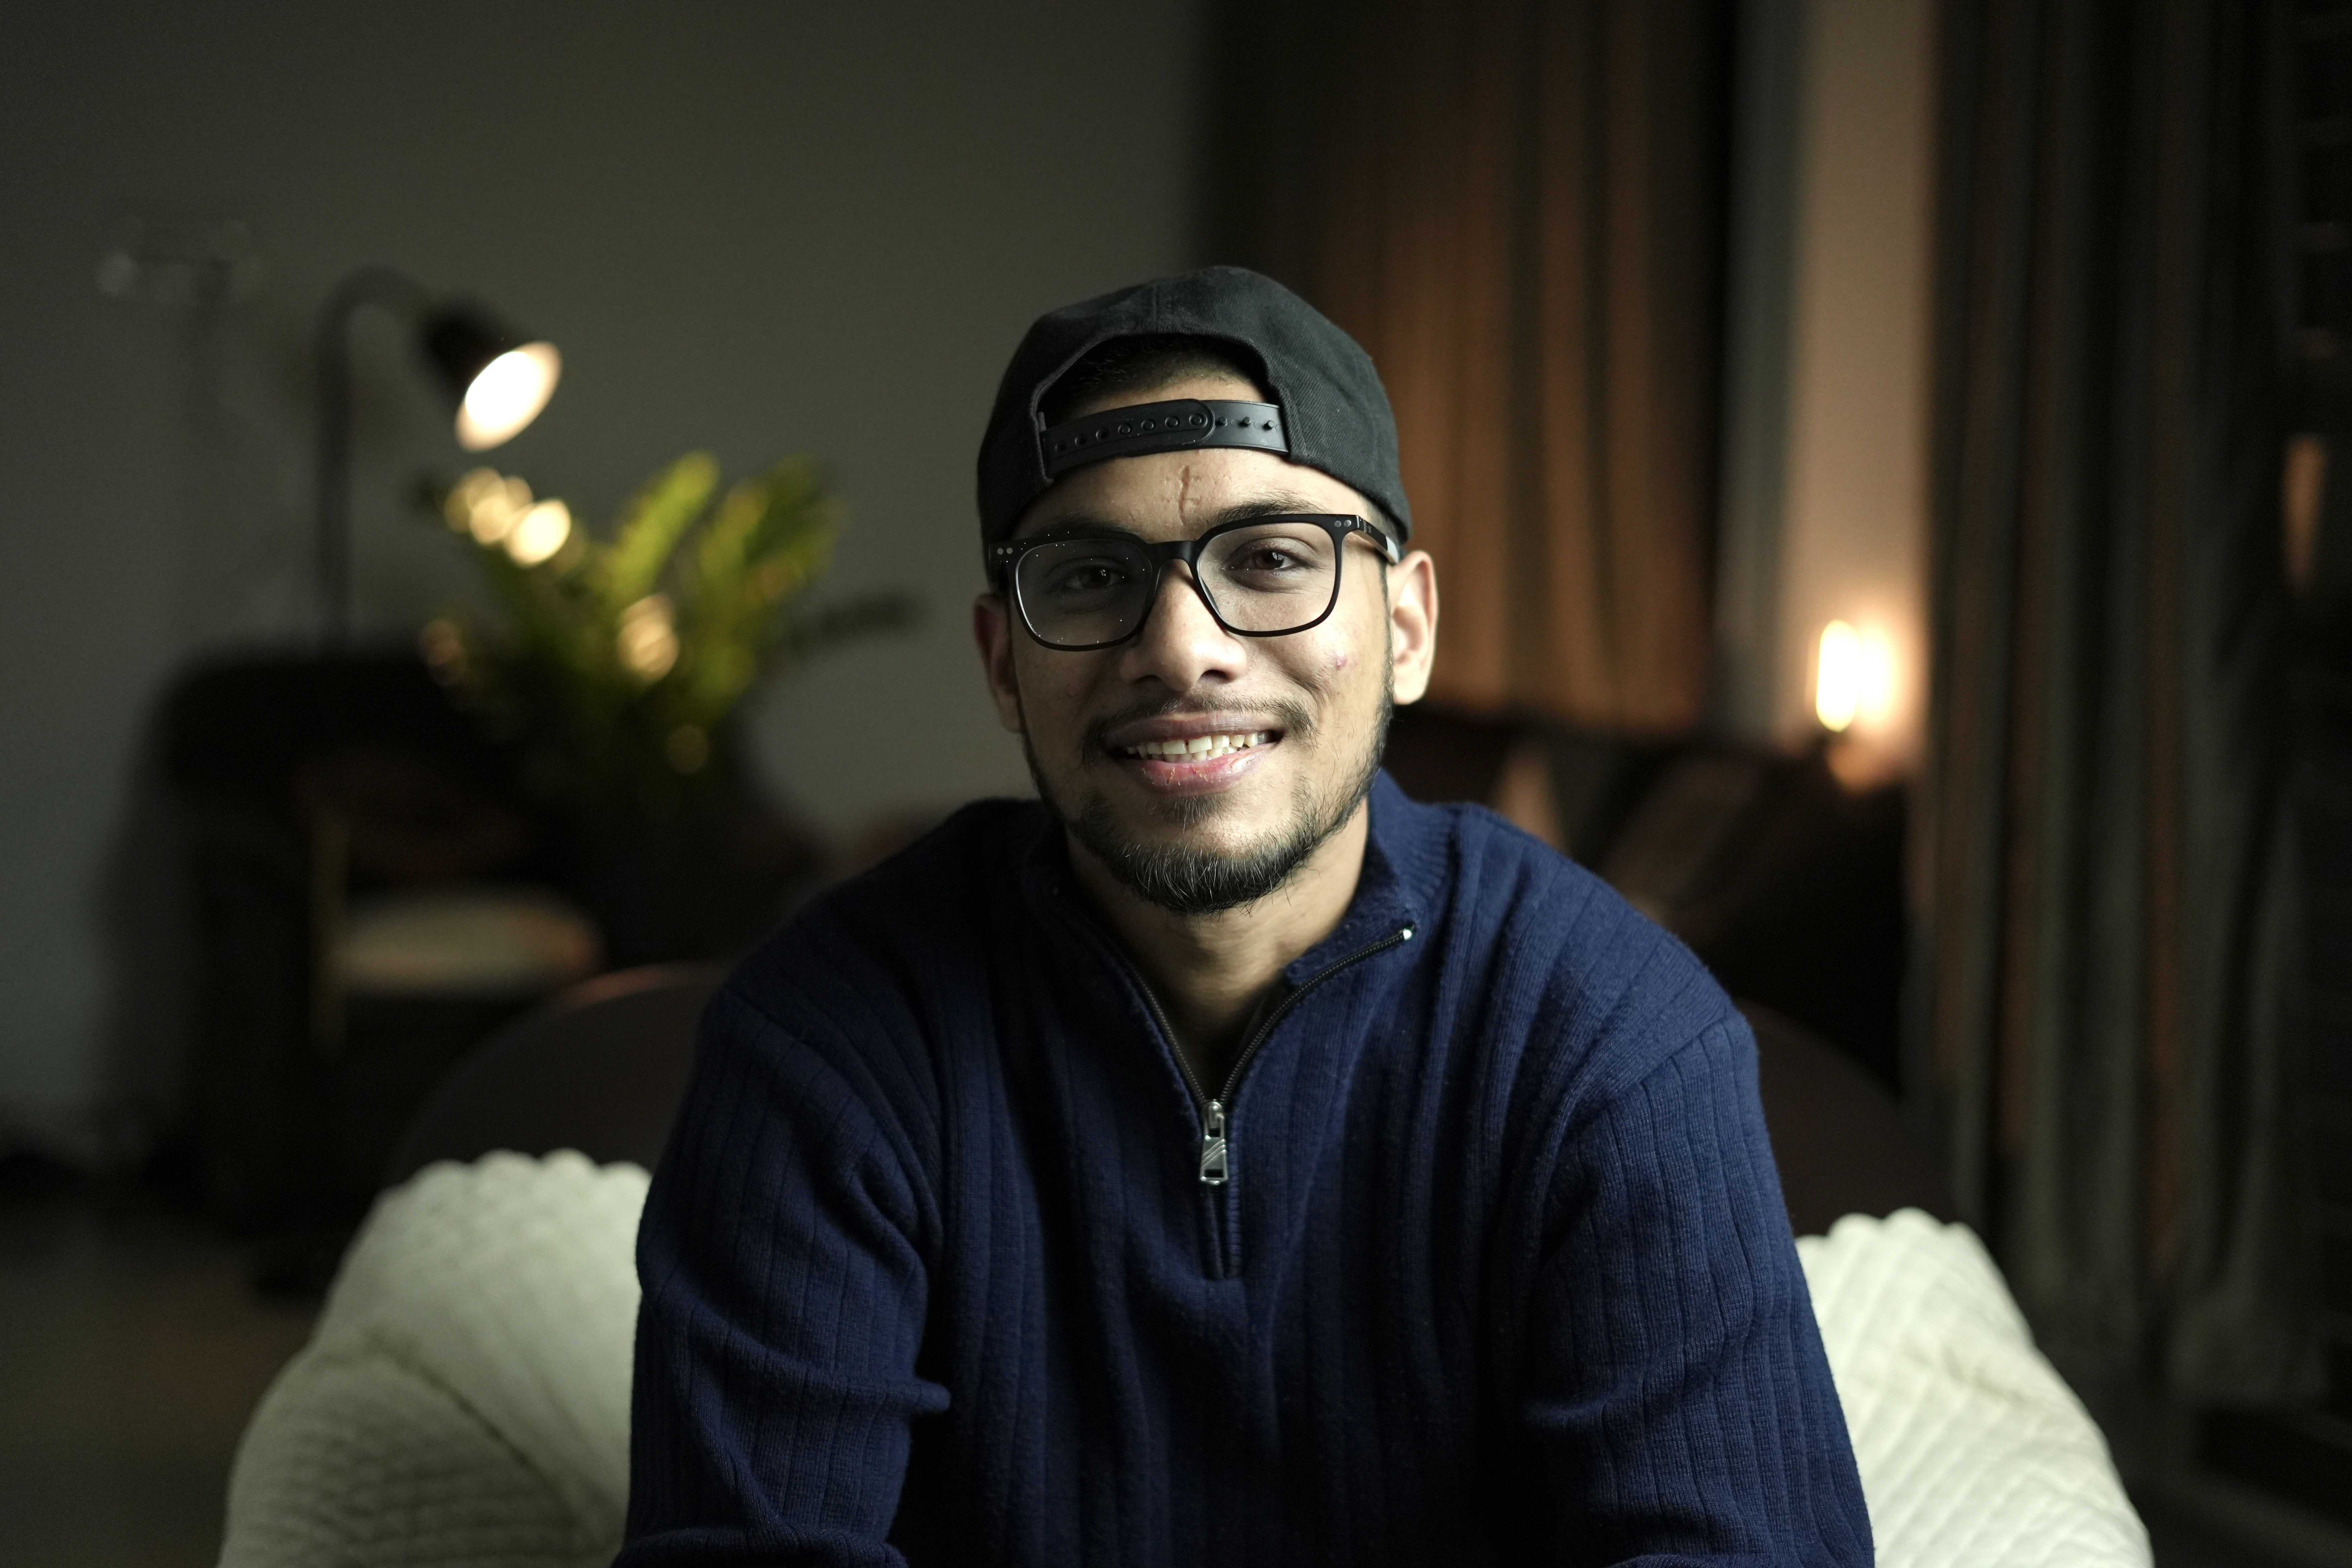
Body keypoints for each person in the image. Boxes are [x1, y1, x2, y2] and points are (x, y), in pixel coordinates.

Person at [619, 267, 1871, 1565]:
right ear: (1004, 665)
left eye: (1272, 560)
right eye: (1090, 576)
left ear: (1407, 628)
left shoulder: (1609, 1030)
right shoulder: (826, 1039)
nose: (1180, 648)